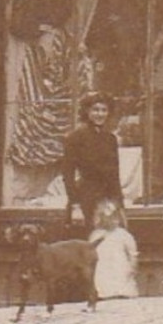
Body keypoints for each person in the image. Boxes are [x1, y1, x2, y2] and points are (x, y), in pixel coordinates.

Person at [61, 93, 122, 232]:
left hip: (108, 200)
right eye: (95, 110)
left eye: (104, 110)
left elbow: (115, 174)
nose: (100, 114)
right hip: (85, 198)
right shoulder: (75, 138)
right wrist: (75, 205)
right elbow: (68, 174)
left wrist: (118, 203)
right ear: (87, 111)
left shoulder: (110, 139)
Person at [88, 199, 140, 300]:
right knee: (104, 283)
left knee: (121, 282)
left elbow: (132, 253)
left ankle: (121, 294)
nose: (112, 221)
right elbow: (90, 252)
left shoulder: (123, 235)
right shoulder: (96, 235)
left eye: (114, 218)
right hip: (103, 267)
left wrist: (132, 267)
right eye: (107, 218)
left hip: (120, 266)